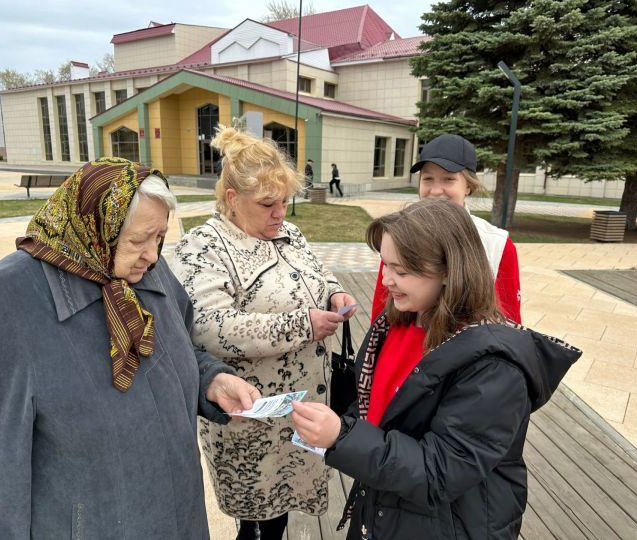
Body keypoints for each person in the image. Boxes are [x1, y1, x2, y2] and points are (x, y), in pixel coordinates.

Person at [0, 157, 261, 539]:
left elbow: (178, 346)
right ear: (96, 227)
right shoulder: (8, 298)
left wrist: (211, 380)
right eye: (138, 240)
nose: (153, 254)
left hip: (181, 518)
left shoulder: (145, 268)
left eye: (159, 237)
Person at [291, 199, 581, 539]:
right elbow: (376, 409)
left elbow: (442, 471)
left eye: (402, 271)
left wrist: (343, 437)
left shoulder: (494, 367)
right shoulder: (394, 325)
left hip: (450, 524)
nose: (387, 281)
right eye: (385, 265)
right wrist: (343, 425)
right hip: (385, 509)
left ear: (449, 270)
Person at [173, 125, 357, 540]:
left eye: (286, 203)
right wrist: (301, 324)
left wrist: (333, 292)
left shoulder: (288, 233)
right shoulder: (205, 246)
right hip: (251, 417)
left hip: (302, 409)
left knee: (282, 514)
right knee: (257, 522)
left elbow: (316, 271)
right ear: (232, 199)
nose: (281, 214)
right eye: (268, 204)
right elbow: (207, 326)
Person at [371, 134, 521, 323]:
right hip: (405, 345)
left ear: (468, 186)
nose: (435, 190)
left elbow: (510, 320)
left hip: (466, 350)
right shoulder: (400, 234)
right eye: (428, 179)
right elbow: (381, 307)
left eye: (448, 179)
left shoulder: (496, 243)